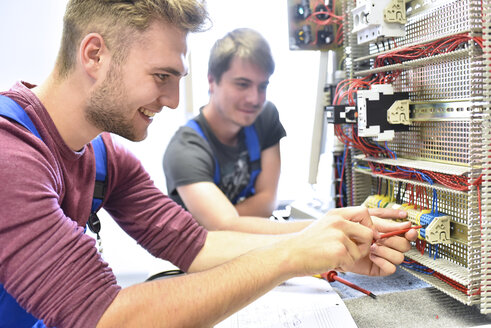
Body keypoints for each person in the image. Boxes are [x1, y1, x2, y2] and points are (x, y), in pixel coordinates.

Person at [0, 0, 417, 327]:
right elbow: (105, 317)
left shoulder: (107, 158)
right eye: (161, 76)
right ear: (94, 55)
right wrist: (292, 253)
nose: (173, 101)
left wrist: (333, 241)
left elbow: (196, 244)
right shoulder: (10, 157)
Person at [164, 28, 307, 234]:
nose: (255, 99)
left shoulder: (265, 117)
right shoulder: (185, 150)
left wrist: (226, 219)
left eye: (262, 86)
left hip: (249, 243)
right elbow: (222, 226)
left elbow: (267, 202)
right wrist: (321, 227)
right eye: (242, 84)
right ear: (212, 81)